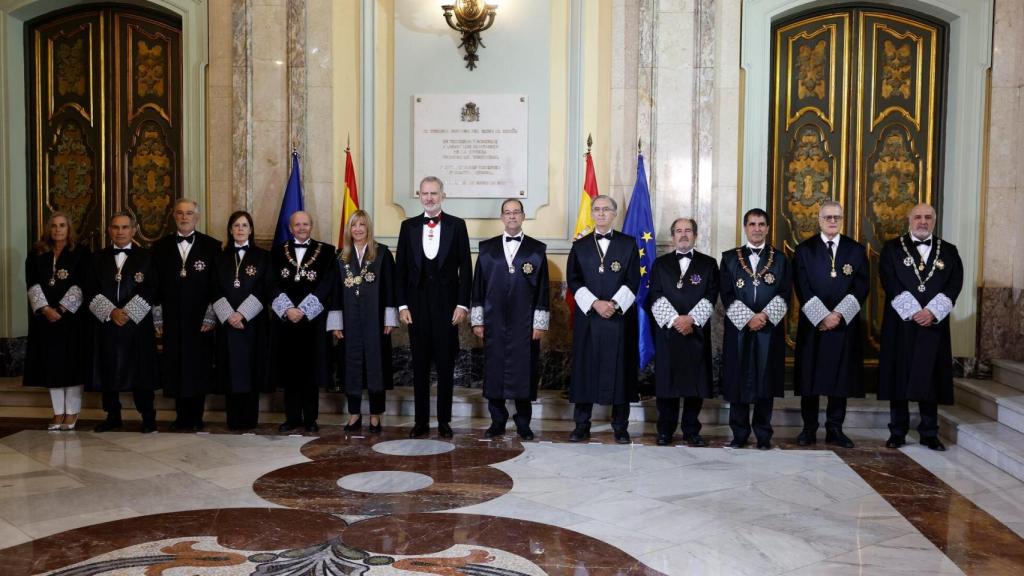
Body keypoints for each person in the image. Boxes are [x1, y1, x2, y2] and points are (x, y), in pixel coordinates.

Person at [878, 203, 963, 451]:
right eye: (918, 217)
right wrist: (914, 311)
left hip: (933, 324)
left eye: (928, 217)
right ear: (909, 220)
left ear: (934, 221)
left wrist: (932, 312)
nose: (923, 221)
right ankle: (897, 431)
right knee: (899, 376)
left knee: (931, 377)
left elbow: (954, 285)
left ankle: (929, 432)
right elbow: (889, 281)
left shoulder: (949, 251)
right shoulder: (892, 249)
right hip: (901, 323)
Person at [396, 176, 472, 439]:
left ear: (443, 195)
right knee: (418, 366)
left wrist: (462, 304)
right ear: (419, 196)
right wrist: (403, 305)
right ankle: (419, 422)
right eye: (425, 193)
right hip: (416, 308)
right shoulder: (408, 227)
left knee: (445, 366)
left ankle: (444, 421)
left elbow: (466, 269)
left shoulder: (457, 225)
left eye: (434, 193)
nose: (429, 198)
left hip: (447, 307)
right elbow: (400, 271)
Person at [471, 199, 550, 441]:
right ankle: (497, 420)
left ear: (523, 216)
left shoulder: (537, 249)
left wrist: (539, 323)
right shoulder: (486, 248)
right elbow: (478, 287)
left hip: (524, 323)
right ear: (502, 217)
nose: (512, 216)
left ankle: (523, 422)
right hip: (493, 321)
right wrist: (477, 320)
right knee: (494, 370)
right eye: (508, 212)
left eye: (516, 212)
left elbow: (543, 290)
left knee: (524, 371)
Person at [793, 201, 869, 448]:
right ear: (819, 219)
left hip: (843, 327)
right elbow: (802, 287)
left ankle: (835, 429)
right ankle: (809, 429)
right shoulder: (804, 250)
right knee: (810, 380)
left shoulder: (856, 250)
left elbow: (862, 286)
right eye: (828, 217)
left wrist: (838, 315)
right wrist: (822, 316)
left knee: (841, 379)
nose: (832, 221)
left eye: (837, 217)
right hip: (814, 327)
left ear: (842, 219)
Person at [565, 194, 640, 444]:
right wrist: (595, 303)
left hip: (619, 320)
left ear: (614, 214)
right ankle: (581, 425)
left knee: (621, 371)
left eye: (606, 209)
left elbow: (633, 280)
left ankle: (620, 426)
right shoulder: (580, 246)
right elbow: (574, 280)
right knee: (585, 371)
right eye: (596, 209)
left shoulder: (629, 244)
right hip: (589, 319)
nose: (601, 213)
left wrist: (615, 304)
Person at [720, 208, 791, 450]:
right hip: (739, 330)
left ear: (768, 228)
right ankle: (739, 434)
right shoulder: (729, 258)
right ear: (745, 227)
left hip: (768, 331)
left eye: (762, 224)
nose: (757, 228)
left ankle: (763, 434)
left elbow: (785, 293)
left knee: (765, 381)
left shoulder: (780, 259)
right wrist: (747, 318)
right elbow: (726, 294)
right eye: (752, 224)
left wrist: (764, 317)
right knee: (738, 380)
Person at [646, 217, 718, 446]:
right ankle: (665, 430)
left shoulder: (708, 264)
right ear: (673, 236)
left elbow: (711, 295)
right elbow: (655, 294)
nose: (683, 234)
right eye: (679, 231)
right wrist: (675, 320)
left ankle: (691, 430)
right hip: (668, 333)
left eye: (688, 230)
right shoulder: (660, 264)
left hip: (695, 334)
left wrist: (692, 320)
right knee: (667, 384)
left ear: (695, 235)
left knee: (694, 386)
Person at [86, 212, 158, 433]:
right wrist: (111, 312)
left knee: (141, 372)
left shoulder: (147, 257)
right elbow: (90, 288)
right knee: (108, 368)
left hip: (136, 325)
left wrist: (126, 312)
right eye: (115, 227)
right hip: (107, 323)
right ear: (109, 230)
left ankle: (148, 417)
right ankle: (113, 415)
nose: (120, 232)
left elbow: (153, 288)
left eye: (125, 227)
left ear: (133, 230)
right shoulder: (96, 258)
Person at [151, 198, 219, 431]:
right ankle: (181, 417)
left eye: (189, 213)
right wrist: (157, 316)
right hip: (171, 317)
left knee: (197, 366)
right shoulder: (160, 247)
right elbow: (155, 284)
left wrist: (211, 315)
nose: (184, 217)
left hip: (200, 319)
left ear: (196, 217)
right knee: (176, 365)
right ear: (173, 216)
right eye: (180, 213)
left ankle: (196, 416)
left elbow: (216, 285)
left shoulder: (212, 246)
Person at [327, 210, 398, 433]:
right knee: (351, 364)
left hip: (376, 321)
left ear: (368, 228)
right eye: (354, 225)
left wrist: (390, 318)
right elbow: (335, 292)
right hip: (349, 320)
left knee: (376, 366)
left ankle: (375, 414)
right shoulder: (340, 257)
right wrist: (336, 322)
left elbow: (390, 288)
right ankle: (354, 413)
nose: (358, 229)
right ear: (349, 229)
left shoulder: (383, 254)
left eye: (362, 225)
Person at [24, 212, 90, 431]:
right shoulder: (36, 253)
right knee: (51, 365)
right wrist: (45, 309)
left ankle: (72, 412)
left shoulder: (80, 252)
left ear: (69, 229)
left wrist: (61, 308)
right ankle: (58, 412)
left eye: (62, 225)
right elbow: (32, 283)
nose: (58, 229)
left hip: (71, 318)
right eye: (54, 225)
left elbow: (83, 284)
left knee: (71, 364)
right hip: (45, 319)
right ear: (48, 228)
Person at [270, 211, 336, 433]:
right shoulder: (278, 251)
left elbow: (327, 284)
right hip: (287, 321)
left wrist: (304, 310)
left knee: (311, 370)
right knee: (290, 371)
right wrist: (289, 309)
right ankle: (291, 418)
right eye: (297, 224)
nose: (301, 228)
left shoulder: (327, 252)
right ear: (290, 228)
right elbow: (272, 283)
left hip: (313, 321)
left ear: (311, 226)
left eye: (305, 224)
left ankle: (310, 419)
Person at [211, 211, 272, 431]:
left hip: (252, 324)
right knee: (230, 371)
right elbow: (214, 288)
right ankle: (233, 420)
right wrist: (229, 315)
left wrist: (243, 313)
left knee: (250, 370)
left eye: (244, 225)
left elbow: (264, 288)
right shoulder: (219, 258)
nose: (240, 229)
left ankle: (249, 420)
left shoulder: (263, 257)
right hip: (227, 324)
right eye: (236, 225)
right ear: (230, 229)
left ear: (251, 229)